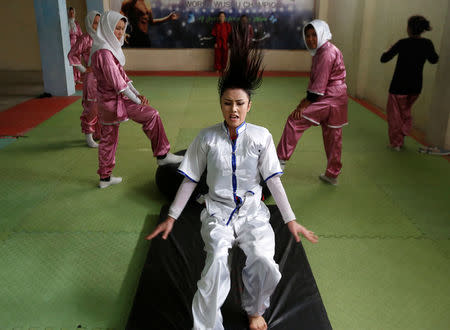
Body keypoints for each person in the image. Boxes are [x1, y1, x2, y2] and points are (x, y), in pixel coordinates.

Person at [146, 26, 318, 330]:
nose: (234, 109)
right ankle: (208, 325)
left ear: (249, 105)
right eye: (228, 103)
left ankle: (255, 309)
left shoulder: (262, 137)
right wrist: (172, 216)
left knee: (265, 262)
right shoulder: (206, 138)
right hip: (217, 211)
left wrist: (290, 219)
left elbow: (274, 181)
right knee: (215, 265)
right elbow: (188, 179)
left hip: (252, 212)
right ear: (221, 105)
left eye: (239, 103)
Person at [89, 11, 183, 189]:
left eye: (122, 29)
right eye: (116, 28)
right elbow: (119, 85)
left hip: (110, 102)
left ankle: (105, 178)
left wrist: (137, 93)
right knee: (152, 115)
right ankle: (162, 155)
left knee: (109, 140)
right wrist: (137, 101)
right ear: (107, 27)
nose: (119, 32)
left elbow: (124, 78)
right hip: (114, 102)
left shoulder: (105, 49)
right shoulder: (104, 54)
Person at [277, 20, 348, 186]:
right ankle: (332, 174)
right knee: (333, 136)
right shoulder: (326, 50)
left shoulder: (325, 53)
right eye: (307, 35)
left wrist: (305, 104)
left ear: (322, 33)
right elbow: (317, 81)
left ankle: (279, 162)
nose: (310, 39)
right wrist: (305, 99)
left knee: (295, 120)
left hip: (328, 98)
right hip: (338, 98)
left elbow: (319, 84)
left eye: (314, 34)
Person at [380, 15, 439, 151]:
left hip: (398, 87)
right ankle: (403, 133)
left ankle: (396, 143)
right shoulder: (427, 44)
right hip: (415, 87)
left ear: (410, 28)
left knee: (395, 116)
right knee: (405, 111)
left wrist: (388, 49)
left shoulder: (402, 43)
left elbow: (384, 59)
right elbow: (434, 59)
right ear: (422, 29)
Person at [68, 11, 102, 148]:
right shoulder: (85, 38)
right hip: (91, 79)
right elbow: (72, 54)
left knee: (102, 106)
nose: (97, 25)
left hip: (103, 78)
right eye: (95, 22)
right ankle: (89, 135)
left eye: (99, 22)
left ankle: (98, 133)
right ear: (89, 23)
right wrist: (83, 69)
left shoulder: (102, 38)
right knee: (91, 107)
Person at [68, 7, 83, 84]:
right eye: (70, 13)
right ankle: (72, 79)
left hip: (76, 44)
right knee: (71, 62)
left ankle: (78, 78)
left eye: (73, 13)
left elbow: (80, 35)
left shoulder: (76, 24)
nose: (71, 14)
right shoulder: (66, 23)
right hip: (69, 45)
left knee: (77, 61)